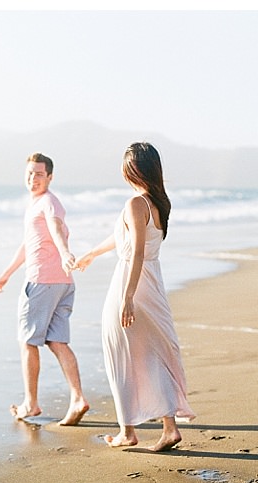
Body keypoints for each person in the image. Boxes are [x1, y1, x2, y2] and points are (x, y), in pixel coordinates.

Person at [75, 142, 195, 451]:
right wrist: (92, 253)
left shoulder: (135, 203)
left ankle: (127, 431)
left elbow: (136, 253)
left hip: (131, 282)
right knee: (154, 354)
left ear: (135, 170)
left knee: (120, 354)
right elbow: (125, 239)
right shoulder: (158, 203)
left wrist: (127, 297)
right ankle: (168, 427)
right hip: (153, 284)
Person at [0, 152, 89, 426]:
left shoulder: (48, 203)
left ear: (50, 177)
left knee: (28, 341)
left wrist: (65, 252)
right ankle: (78, 398)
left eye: (38, 174)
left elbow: (56, 228)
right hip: (63, 282)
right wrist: (7, 273)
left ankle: (31, 403)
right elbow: (29, 244)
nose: (32, 178)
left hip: (43, 281)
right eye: (29, 173)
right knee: (57, 341)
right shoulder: (35, 204)